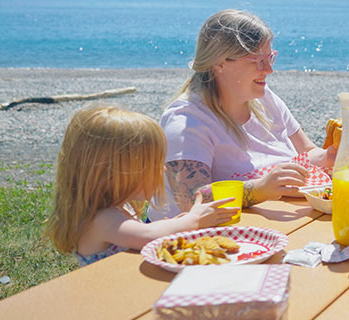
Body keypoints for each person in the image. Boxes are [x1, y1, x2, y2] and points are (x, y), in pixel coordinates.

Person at [152, 9, 335, 220]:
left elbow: (306, 151)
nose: (268, 70)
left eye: (270, 58)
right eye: (257, 60)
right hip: (201, 237)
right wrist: (259, 189)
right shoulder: (186, 120)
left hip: (281, 219)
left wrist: (327, 156)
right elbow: (191, 199)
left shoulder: (264, 98)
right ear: (219, 63)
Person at [46, 106, 235, 266]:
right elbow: (147, 235)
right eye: (153, 164)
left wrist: (175, 224)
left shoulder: (119, 210)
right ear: (116, 173)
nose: (162, 170)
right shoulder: (101, 220)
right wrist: (193, 219)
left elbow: (143, 234)